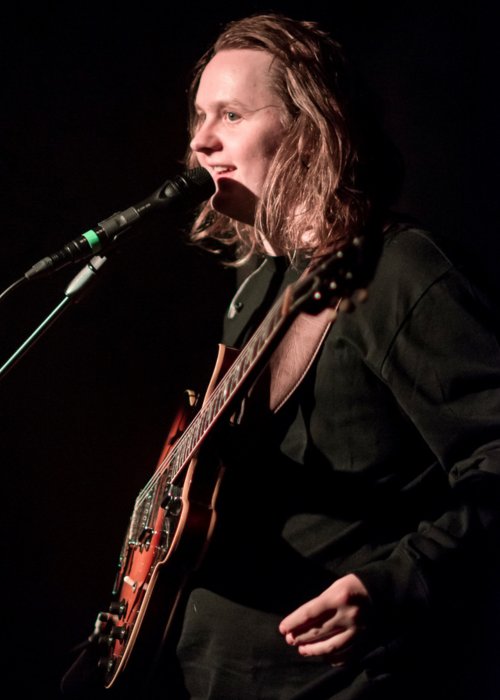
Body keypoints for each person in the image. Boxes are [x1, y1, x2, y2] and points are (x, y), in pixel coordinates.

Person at [62, 12, 500, 700]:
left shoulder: (402, 272)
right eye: (200, 115)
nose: (201, 140)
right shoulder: (259, 281)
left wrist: (396, 582)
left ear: (310, 126)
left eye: (231, 114)